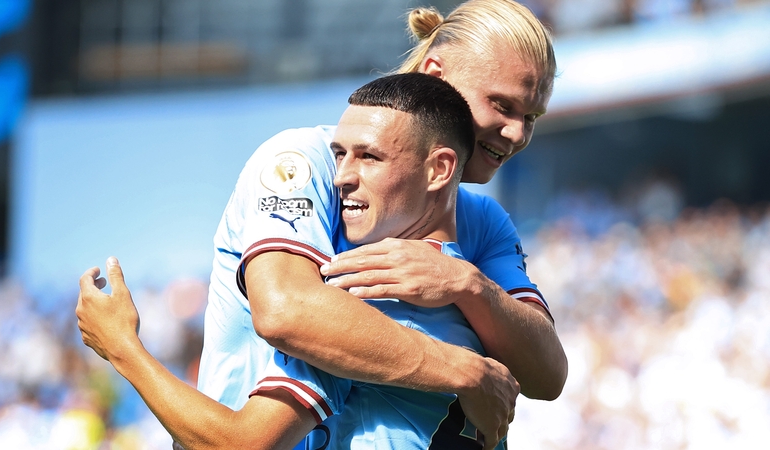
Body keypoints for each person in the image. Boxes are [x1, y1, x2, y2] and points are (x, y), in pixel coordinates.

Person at [81, 0, 566, 445]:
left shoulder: (480, 223)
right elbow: (288, 312)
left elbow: (547, 375)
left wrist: (467, 285)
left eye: (532, 116)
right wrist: (464, 370)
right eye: (502, 105)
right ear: (436, 74)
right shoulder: (303, 162)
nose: (517, 133)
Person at [253, 72, 508, 449]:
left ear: (439, 169)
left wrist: (148, 363)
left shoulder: (370, 301)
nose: (340, 177)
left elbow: (237, 442)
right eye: (339, 155)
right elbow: (547, 377)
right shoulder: (485, 313)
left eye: (369, 157)